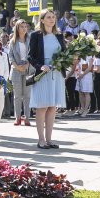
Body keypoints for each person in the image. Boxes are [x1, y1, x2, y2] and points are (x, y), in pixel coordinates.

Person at [28, 9, 67, 149]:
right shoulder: (36, 36)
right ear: (42, 20)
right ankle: (41, 140)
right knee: (42, 106)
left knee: (52, 107)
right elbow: (30, 56)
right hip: (43, 73)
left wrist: (67, 60)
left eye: (53, 17)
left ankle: (49, 139)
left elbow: (64, 54)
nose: (52, 19)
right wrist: (40, 66)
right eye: (48, 17)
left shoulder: (59, 35)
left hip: (56, 74)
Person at [8, 19, 32, 125]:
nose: (24, 28)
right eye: (22, 27)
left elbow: (33, 54)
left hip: (28, 69)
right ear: (17, 28)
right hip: (16, 69)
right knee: (17, 95)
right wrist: (16, 66)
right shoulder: (13, 41)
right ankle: (17, 117)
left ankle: (27, 118)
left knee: (27, 95)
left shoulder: (30, 40)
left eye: (25, 26)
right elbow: (10, 56)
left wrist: (27, 64)